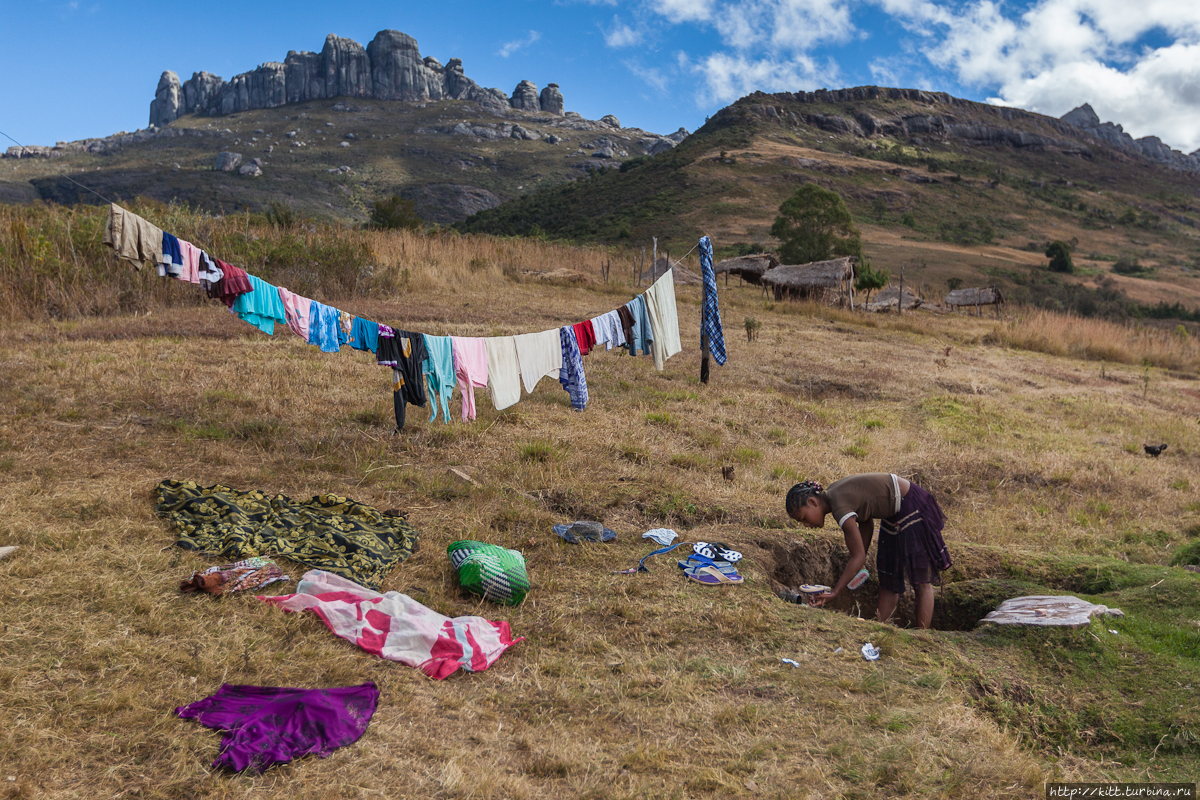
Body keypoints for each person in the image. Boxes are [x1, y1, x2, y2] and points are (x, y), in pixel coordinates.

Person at [785, 474, 952, 629]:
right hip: (894, 513)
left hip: (911, 505)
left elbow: (858, 556)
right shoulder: (835, 495)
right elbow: (866, 521)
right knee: (888, 578)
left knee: (921, 580)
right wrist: (859, 560)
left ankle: (922, 636)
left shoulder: (839, 506)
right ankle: (879, 629)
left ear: (813, 502)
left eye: (803, 518)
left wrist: (835, 592)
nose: (806, 525)